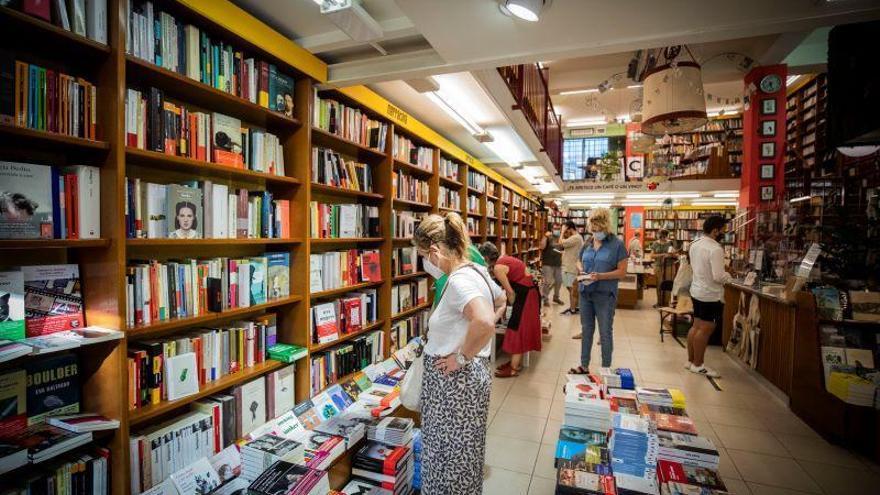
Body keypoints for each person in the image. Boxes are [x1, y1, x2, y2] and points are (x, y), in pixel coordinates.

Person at [413, 213, 506, 495]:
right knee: (464, 456)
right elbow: (500, 300)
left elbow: (485, 321)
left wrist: (461, 356)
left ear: (434, 252)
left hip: (453, 386)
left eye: (422, 256)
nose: (425, 264)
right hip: (466, 383)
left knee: (445, 458)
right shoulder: (476, 270)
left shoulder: (458, 282)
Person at [570, 208, 628, 374]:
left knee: (605, 332)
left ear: (606, 227)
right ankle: (584, 365)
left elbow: (622, 272)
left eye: (599, 230)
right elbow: (579, 261)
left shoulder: (617, 245)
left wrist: (601, 276)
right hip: (585, 293)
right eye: (593, 229)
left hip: (605, 295)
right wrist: (581, 270)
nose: (596, 233)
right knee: (586, 330)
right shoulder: (588, 241)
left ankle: (605, 369)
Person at [478, 242, 541, 378]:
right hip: (529, 292)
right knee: (518, 326)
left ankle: (513, 368)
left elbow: (510, 293)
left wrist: (510, 308)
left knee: (516, 327)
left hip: (525, 296)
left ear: (486, 258)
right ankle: (514, 363)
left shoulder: (497, 268)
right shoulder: (505, 258)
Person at [686, 215, 732, 378]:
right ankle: (698, 364)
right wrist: (729, 276)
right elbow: (718, 276)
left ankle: (691, 361)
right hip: (711, 294)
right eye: (722, 230)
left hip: (697, 290)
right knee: (705, 330)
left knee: (696, 326)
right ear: (715, 230)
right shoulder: (716, 249)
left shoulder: (694, 244)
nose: (724, 233)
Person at [559, 221, 584, 315]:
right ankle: (573, 307)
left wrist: (561, 232)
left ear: (569, 228)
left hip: (570, 267)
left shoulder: (576, 237)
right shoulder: (576, 238)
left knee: (571, 289)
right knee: (571, 289)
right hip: (570, 266)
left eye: (566, 230)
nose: (565, 233)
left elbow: (561, 243)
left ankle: (573, 309)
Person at [540, 225, 563, 306]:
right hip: (548, 263)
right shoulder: (548, 237)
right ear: (552, 229)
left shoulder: (561, 237)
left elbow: (563, 248)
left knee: (559, 281)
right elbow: (542, 247)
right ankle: (545, 299)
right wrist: (545, 236)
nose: (557, 230)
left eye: (558, 229)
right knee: (547, 282)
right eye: (555, 228)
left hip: (558, 264)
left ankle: (556, 297)